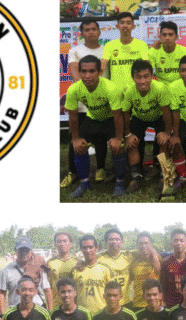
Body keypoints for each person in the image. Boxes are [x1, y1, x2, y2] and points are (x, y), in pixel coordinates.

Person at [64, 56, 125, 199]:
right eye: (83, 72)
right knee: (78, 146)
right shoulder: (74, 89)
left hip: (110, 119)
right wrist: (76, 138)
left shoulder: (111, 88)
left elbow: (118, 116)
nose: (87, 76)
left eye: (92, 71)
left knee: (118, 147)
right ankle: (84, 183)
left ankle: (120, 182)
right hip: (92, 119)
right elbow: (73, 116)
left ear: (99, 72)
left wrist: (118, 138)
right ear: (78, 72)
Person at [119, 59, 176, 193]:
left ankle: (164, 174)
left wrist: (167, 133)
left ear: (152, 76)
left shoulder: (160, 88)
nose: (143, 81)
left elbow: (166, 113)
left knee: (163, 141)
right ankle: (136, 176)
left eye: (146, 76)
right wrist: (127, 134)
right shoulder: (128, 90)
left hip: (158, 118)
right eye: (138, 77)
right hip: (138, 118)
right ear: (133, 77)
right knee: (133, 143)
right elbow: (125, 114)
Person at [62, 18, 106, 190]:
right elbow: (75, 73)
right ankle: (73, 172)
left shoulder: (106, 50)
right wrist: (88, 91)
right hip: (82, 103)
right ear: (82, 32)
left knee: (101, 138)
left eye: (94, 29)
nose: (91, 32)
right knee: (78, 138)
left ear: (99, 31)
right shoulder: (75, 51)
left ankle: (101, 168)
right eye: (87, 29)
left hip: (102, 103)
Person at [0, 238, 53, 313]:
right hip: (15, 312)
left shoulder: (40, 268)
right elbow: (2, 293)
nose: (24, 253)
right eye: (21, 250)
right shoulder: (6, 271)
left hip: (37, 311)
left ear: (31, 252)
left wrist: (50, 312)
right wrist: (2, 315)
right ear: (16, 252)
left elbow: (47, 290)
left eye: (26, 251)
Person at [101, 11, 149, 83]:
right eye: (122, 23)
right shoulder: (110, 45)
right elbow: (103, 66)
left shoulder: (141, 45)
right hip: (115, 90)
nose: (125, 25)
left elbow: (147, 67)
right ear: (117, 26)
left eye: (128, 23)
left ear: (133, 26)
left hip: (135, 89)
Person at [160, 229, 186, 309]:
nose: (178, 243)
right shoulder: (165, 262)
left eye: (181, 240)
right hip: (170, 304)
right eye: (175, 240)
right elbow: (162, 283)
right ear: (171, 244)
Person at [74, 234, 114, 314]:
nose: (88, 250)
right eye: (85, 248)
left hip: (101, 313)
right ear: (81, 249)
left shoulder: (105, 269)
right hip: (81, 313)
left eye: (91, 247)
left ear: (96, 248)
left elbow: (112, 292)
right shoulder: (76, 270)